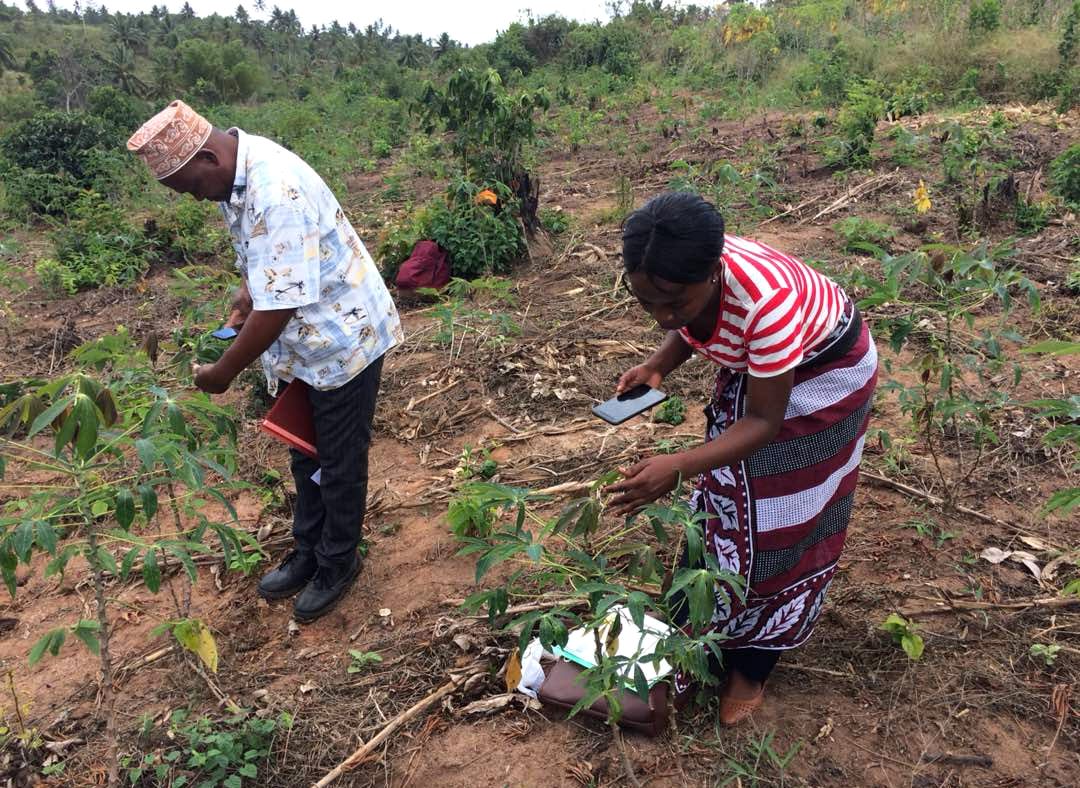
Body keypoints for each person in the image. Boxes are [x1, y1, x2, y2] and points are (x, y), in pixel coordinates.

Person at [127, 100, 403, 623]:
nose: (193, 198)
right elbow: (266, 268)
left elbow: (281, 305)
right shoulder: (236, 179)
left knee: (339, 461)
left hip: (341, 342)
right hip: (302, 348)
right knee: (306, 451)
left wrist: (222, 372)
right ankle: (308, 551)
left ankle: (338, 562)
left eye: (190, 187)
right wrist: (245, 293)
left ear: (208, 157)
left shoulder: (277, 190)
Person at [607, 192, 878, 724]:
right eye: (647, 303)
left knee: (781, 520)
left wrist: (678, 464)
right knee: (725, 505)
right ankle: (701, 630)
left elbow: (762, 423)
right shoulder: (683, 265)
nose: (662, 314)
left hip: (823, 378)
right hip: (763, 374)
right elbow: (692, 319)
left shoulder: (766, 305)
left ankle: (753, 664)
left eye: (673, 302)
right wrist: (659, 363)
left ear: (713, 273)